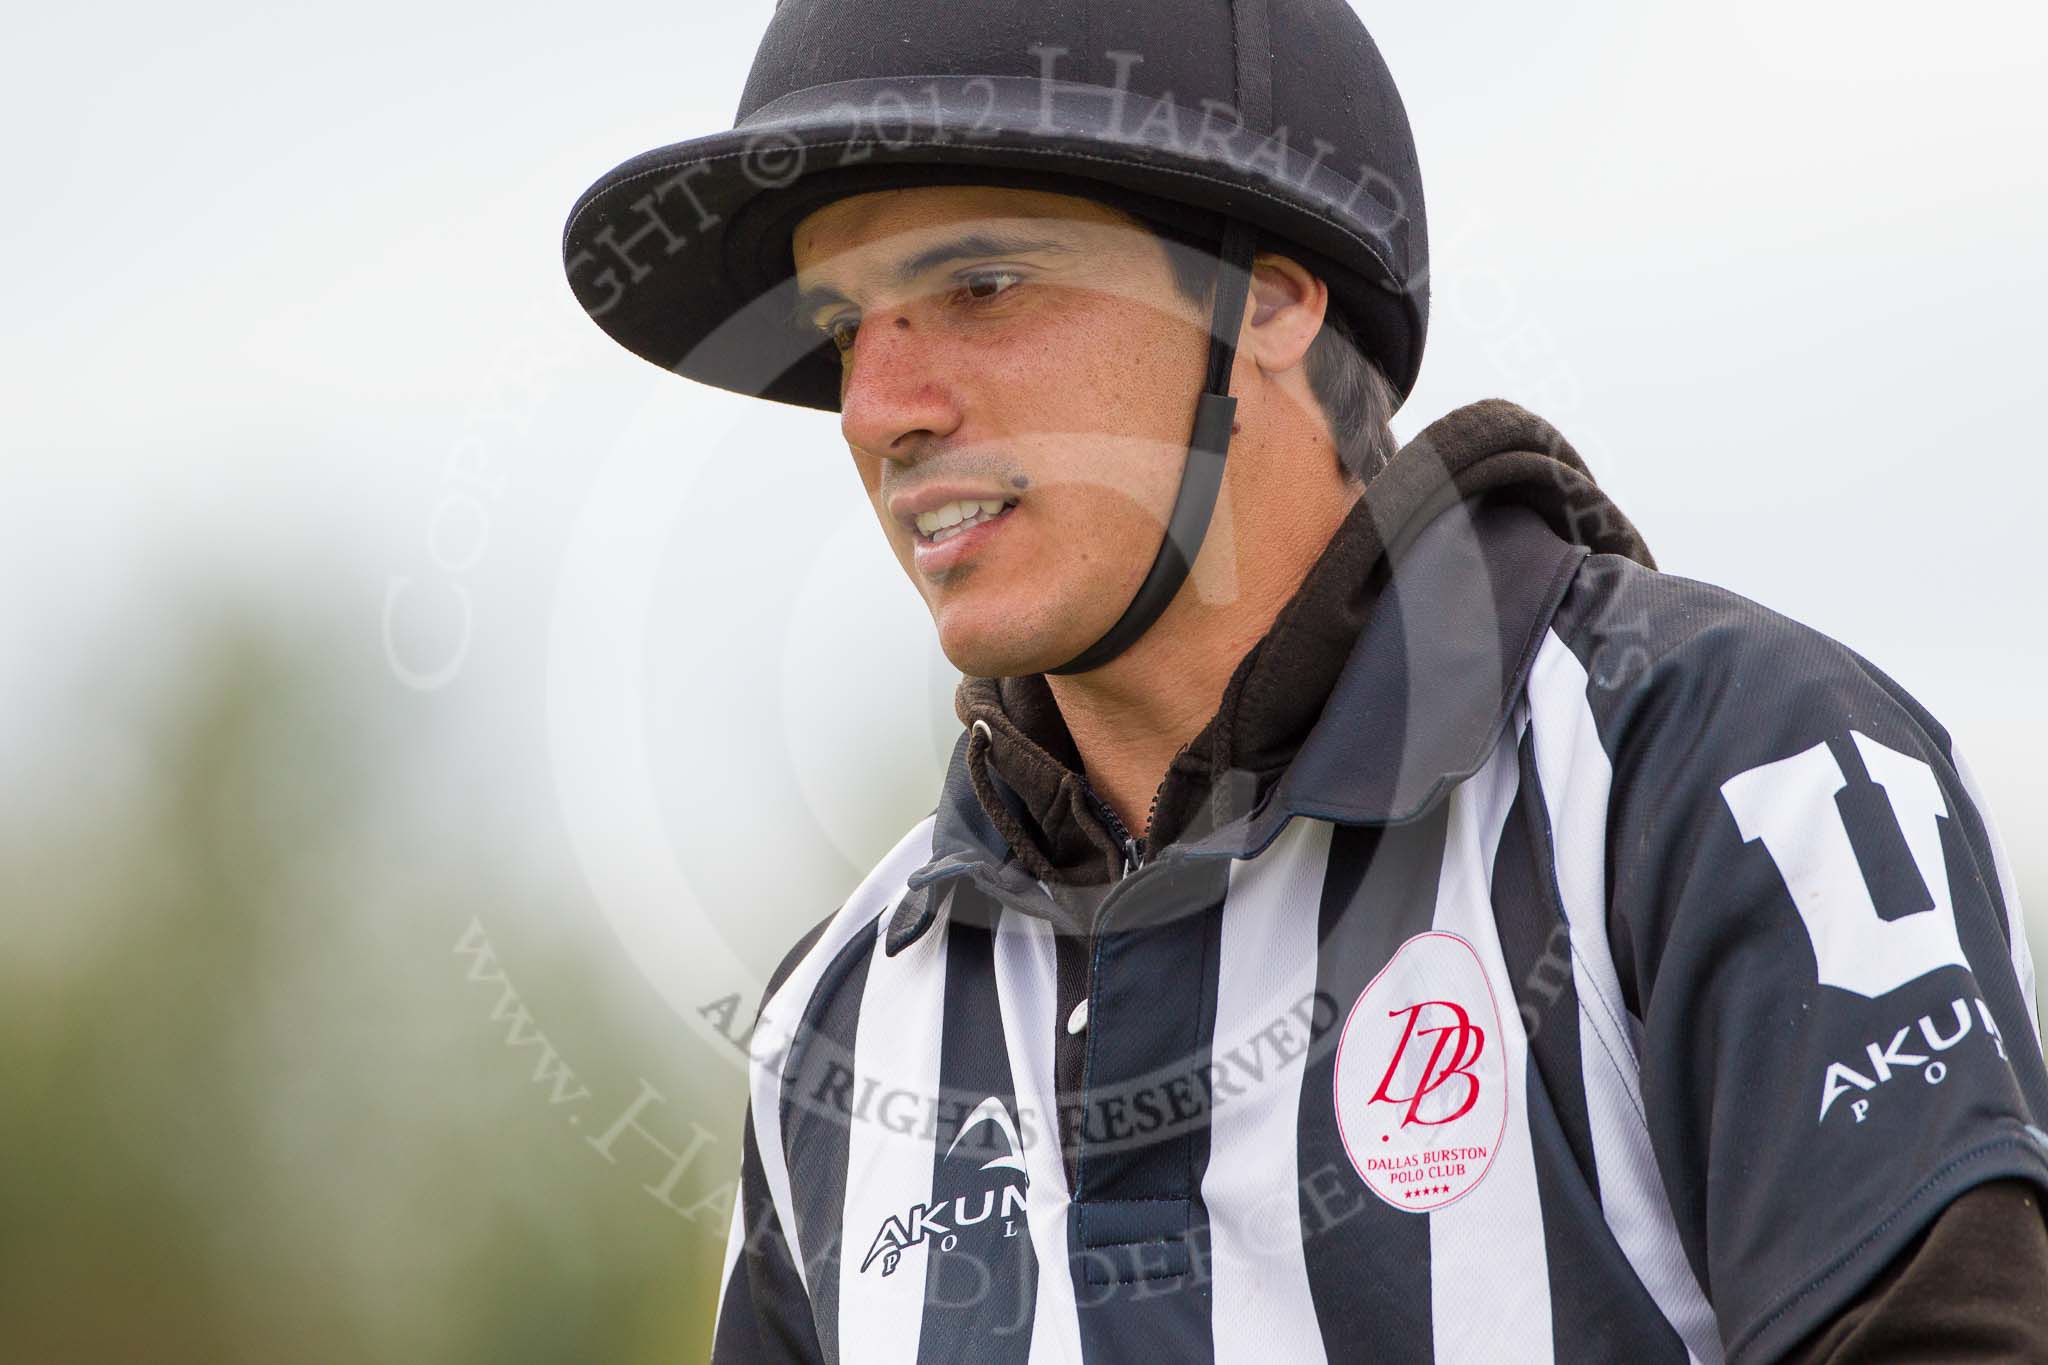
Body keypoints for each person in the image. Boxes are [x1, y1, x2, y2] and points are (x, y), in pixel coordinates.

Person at [562, 2, 2048, 1361]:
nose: (880, 406)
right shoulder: (837, 1025)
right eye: (841, 329)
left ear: (1272, 297)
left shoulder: (1725, 769)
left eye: (983, 282)